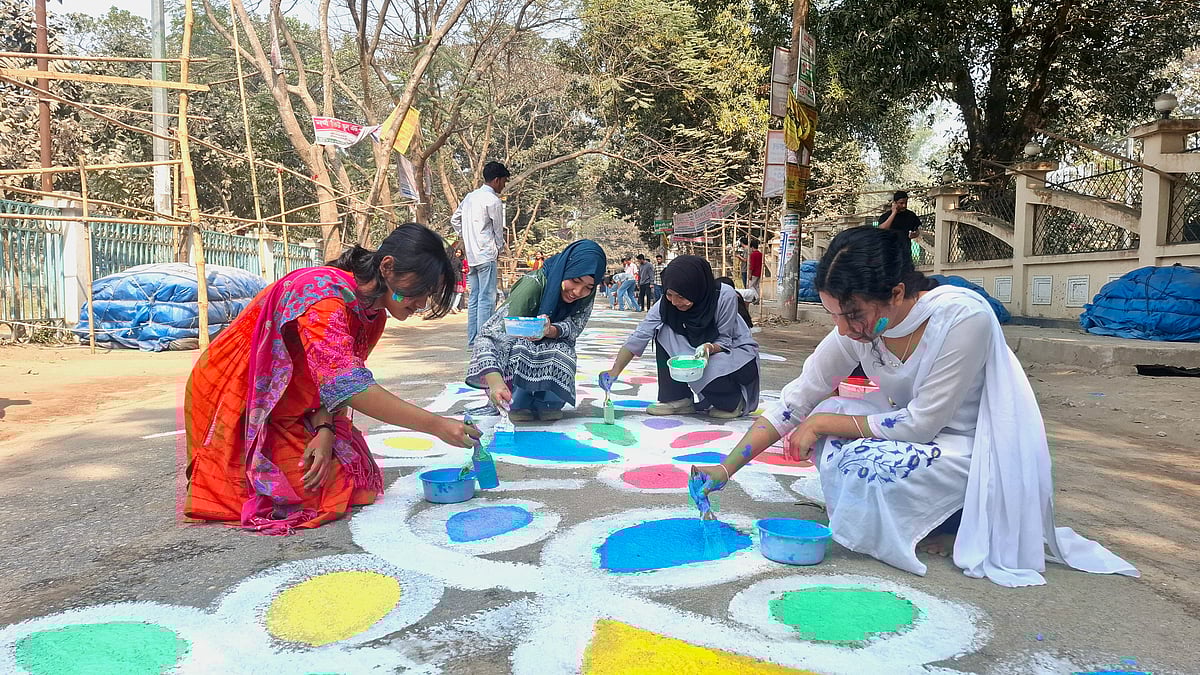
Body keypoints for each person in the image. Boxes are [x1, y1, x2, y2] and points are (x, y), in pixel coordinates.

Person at [692, 227, 1138, 586]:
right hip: (906, 431)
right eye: (834, 317)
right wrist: (725, 469)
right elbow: (797, 397)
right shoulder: (861, 328)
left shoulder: (963, 319)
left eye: (854, 316)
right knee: (838, 436)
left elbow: (924, 422)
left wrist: (826, 421)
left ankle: (954, 519)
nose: (845, 331)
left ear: (899, 291)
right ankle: (918, 516)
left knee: (860, 453)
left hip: (970, 446)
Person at [184, 223, 482, 535]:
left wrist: (324, 428)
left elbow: (332, 381)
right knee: (302, 493)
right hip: (242, 397)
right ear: (388, 266)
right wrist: (436, 425)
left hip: (295, 403)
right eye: (419, 290)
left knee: (356, 477)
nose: (420, 303)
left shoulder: (373, 314)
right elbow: (347, 384)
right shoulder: (323, 295)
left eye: (428, 295)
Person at [602, 255, 760, 419]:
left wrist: (708, 348)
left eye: (682, 296)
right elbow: (640, 335)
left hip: (731, 352)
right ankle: (678, 399)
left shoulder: (723, 297)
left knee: (704, 368)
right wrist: (614, 371)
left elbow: (725, 340)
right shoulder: (665, 304)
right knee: (662, 331)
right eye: (670, 294)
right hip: (697, 348)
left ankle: (733, 402)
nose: (675, 302)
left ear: (697, 289)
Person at [466, 240, 606, 422]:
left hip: (550, 342)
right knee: (523, 346)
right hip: (509, 366)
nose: (578, 292)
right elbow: (489, 336)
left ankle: (547, 403)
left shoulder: (587, 293)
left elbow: (575, 327)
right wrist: (495, 382)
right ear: (565, 269)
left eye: (588, 287)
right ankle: (518, 402)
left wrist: (551, 330)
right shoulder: (532, 286)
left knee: (561, 349)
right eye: (575, 281)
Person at [451, 161, 510, 347]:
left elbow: (455, 219)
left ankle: (473, 341)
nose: (504, 185)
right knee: (487, 297)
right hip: (486, 253)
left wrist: (467, 235)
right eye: (504, 181)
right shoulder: (493, 200)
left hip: (472, 254)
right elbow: (498, 230)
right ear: (497, 180)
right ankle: (484, 341)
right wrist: (498, 248)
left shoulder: (470, 197)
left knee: (475, 297)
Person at [451, 247, 468, 313]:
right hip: (458, 278)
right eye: (457, 252)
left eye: (459, 252)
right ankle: (454, 306)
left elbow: (467, 269)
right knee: (458, 293)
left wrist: (464, 270)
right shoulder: (456, 261)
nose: (458, 254)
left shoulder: (463, 261)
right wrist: (462, 270)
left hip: (460, 278)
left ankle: (455, 307)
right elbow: (461, 269)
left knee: (455, 293)